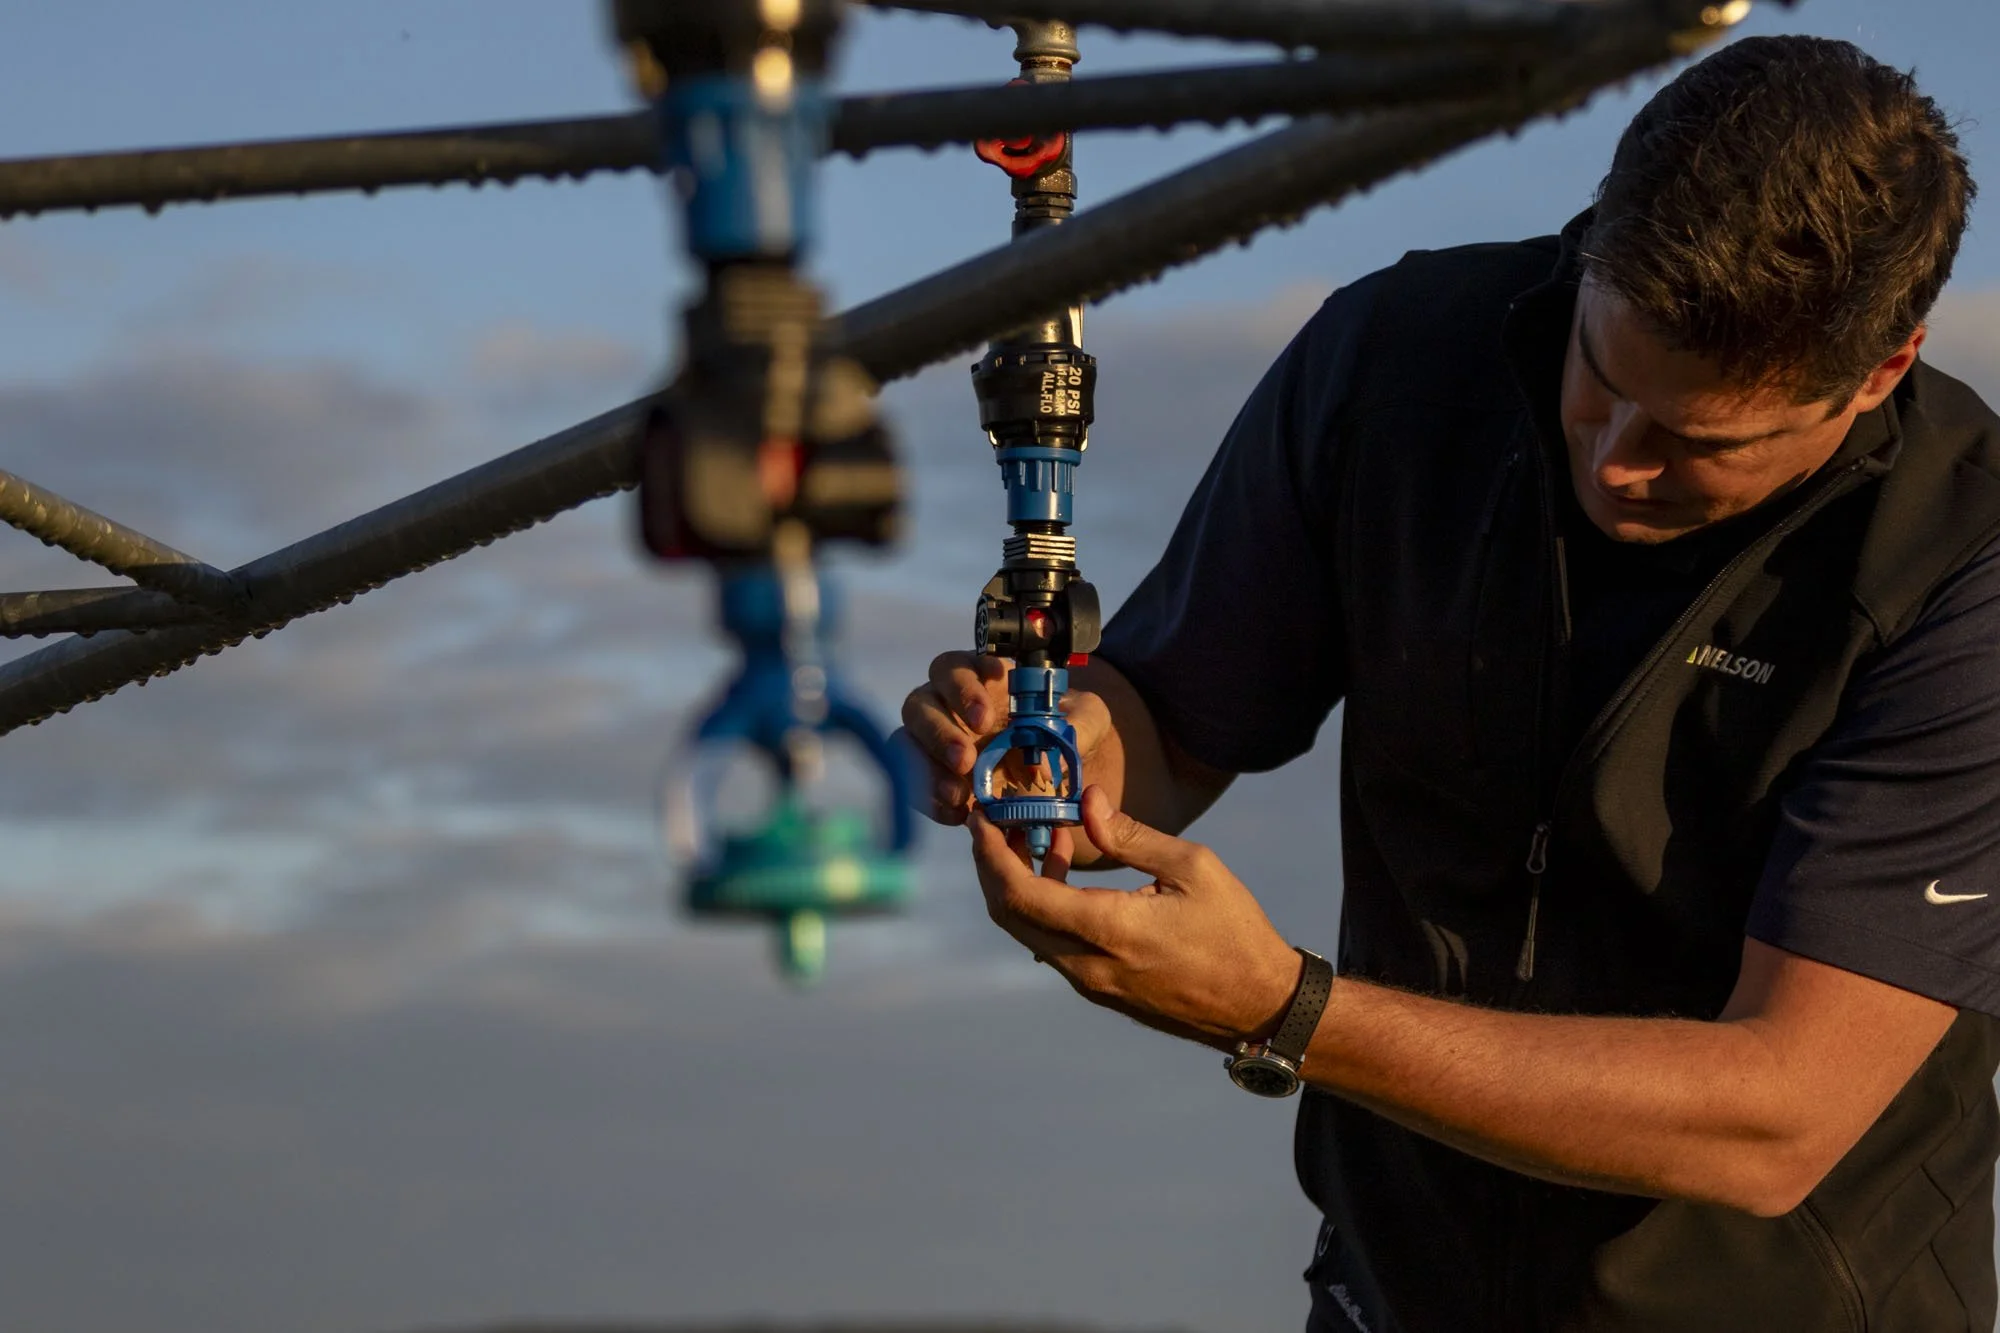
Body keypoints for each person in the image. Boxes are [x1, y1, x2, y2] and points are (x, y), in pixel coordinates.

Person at [897, 33, 2000, 1333]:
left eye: (1698, 443)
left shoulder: (1961, 570)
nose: (1618, 464)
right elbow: (1173, 714)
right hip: (1390, 1298)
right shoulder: (1397, 359)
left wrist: (1287, 1008)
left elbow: (1774, 1119)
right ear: (1594, 248)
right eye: (1601, 380)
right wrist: (1052, 756)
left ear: (1882, 369)